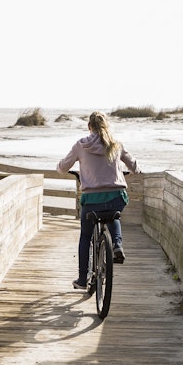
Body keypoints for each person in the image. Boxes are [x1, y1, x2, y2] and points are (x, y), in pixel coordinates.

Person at [57, 111, 138, 290]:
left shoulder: (81, 145)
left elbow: (63, 167)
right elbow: (133, 165)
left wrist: (60, 167)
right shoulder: (116, 144)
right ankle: (117, 245)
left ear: (89, 127)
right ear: (106, 126)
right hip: (116, 197)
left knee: (85, 236)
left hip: (91, 199)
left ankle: (82, 278)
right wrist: (131, 172)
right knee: (113, 217)